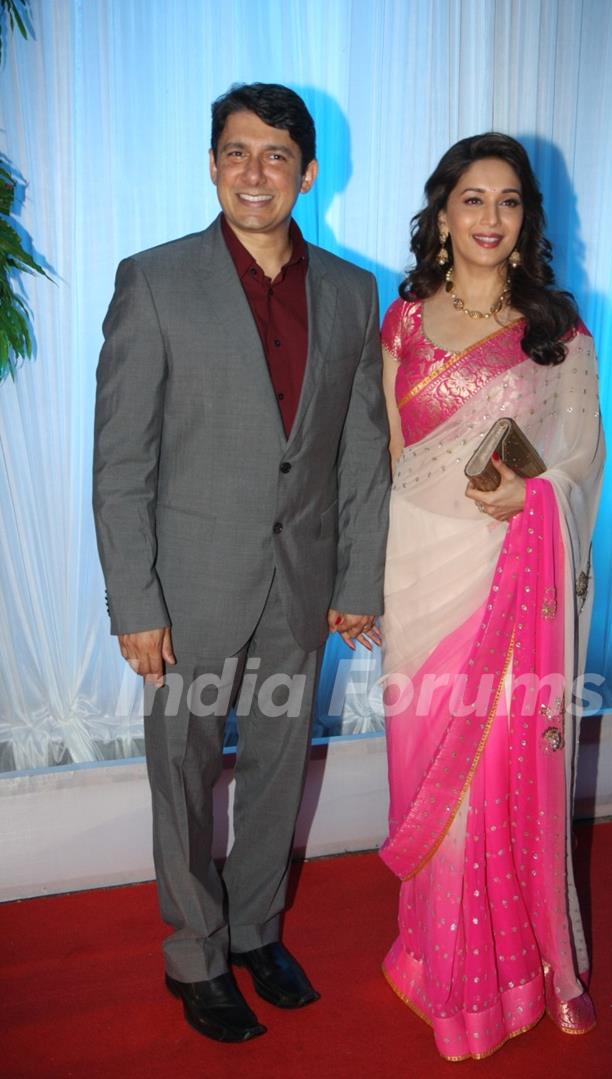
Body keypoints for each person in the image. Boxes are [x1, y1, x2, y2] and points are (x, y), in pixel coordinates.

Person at [93, 82, 389, 1044]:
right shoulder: (155, 280)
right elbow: (121, 460)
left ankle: (257, 928)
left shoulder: (351, 291)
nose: (252, 172)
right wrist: (135, 599)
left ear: (308, 172)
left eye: (274, 155)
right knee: (180, 773)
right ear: (211, 164)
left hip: (299, 585)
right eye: (234, 151)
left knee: (273, 766)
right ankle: (195, 953)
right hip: (185, 590)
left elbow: (359, 450)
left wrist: (356, 580)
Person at [379, 133, 604, 1061]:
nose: (489, 218)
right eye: (472, 199)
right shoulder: (401, 324)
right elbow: (388, 457)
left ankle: (502, 974)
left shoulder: (559, 331)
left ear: (527, 222)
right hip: (417, 573)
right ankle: (435, 957)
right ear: (443, 213)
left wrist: (533, 498)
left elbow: (584, 463)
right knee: (428, 771)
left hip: (513, 580)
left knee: (495, 784)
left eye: (509, 201)